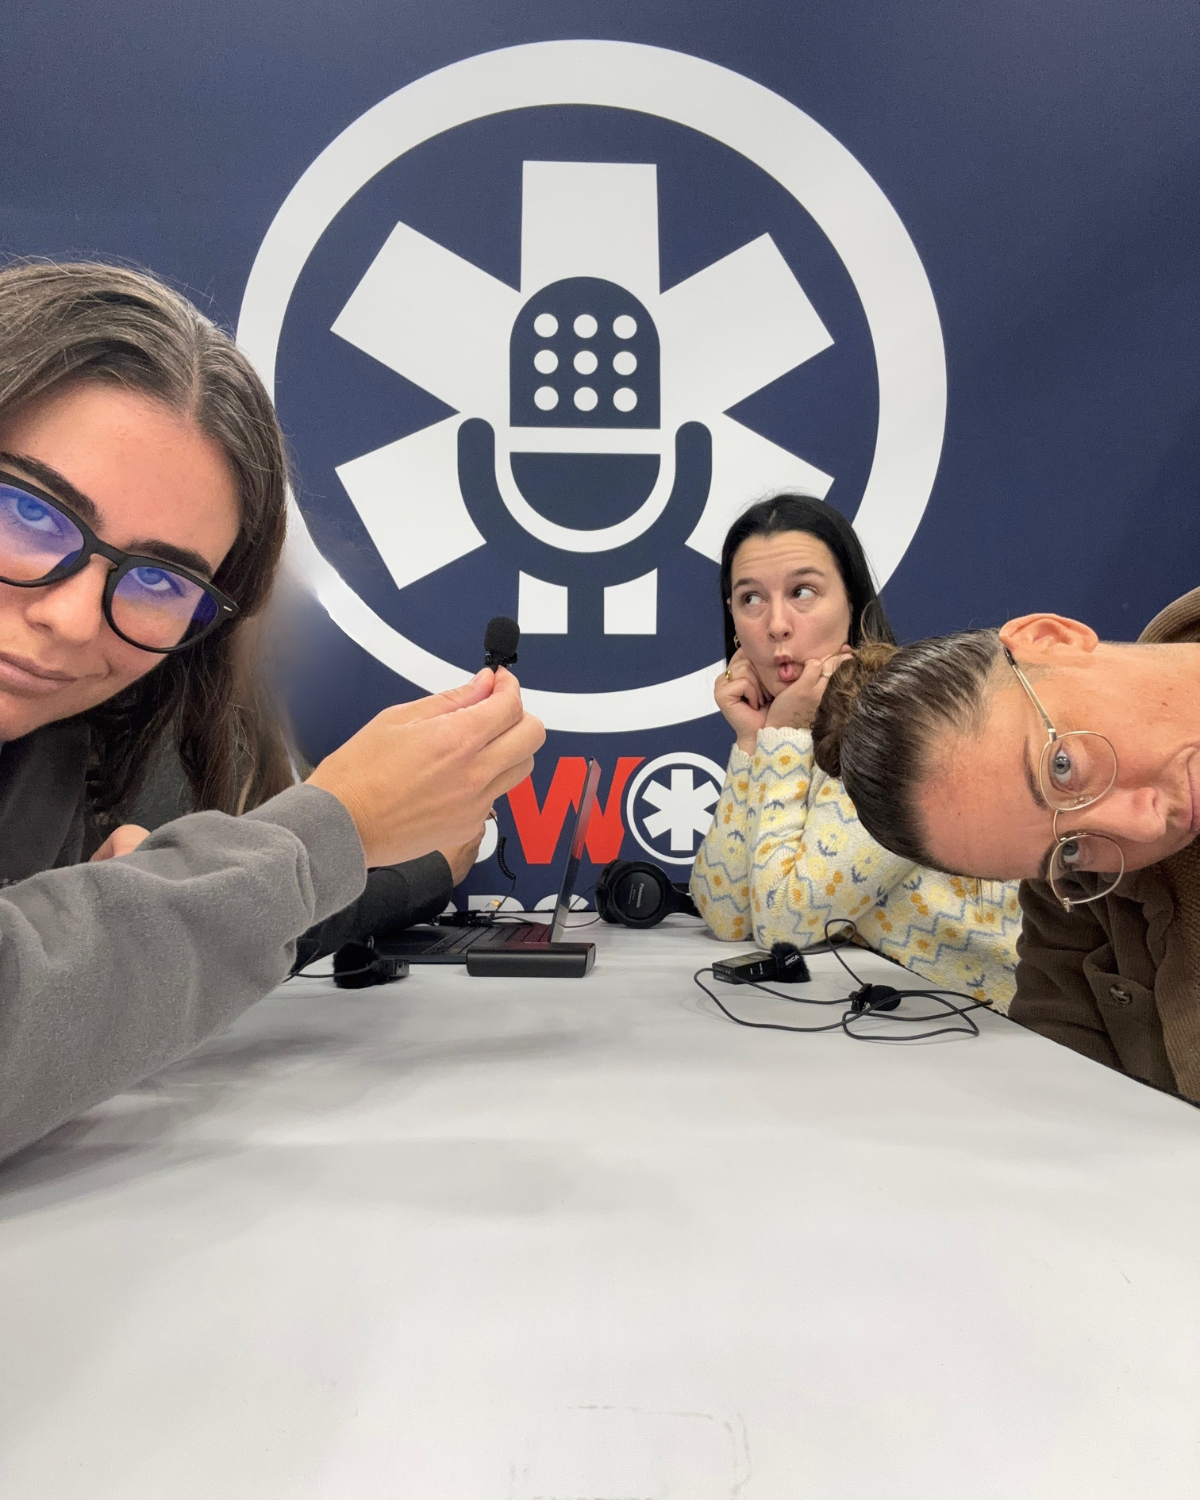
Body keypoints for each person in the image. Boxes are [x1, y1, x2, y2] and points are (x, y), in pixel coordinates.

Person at [0, 260, 544, 1162]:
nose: (68, 616)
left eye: (159, 579)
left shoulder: (77, 742)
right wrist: (336, 827)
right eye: (28, 510)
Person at [810, 596, 1200, 1102]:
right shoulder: (1083, 889)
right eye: (1069, 850)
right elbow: (1057, 1076)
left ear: (1050, 639)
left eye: (1063, 767)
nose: (1144, 825)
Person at [689, 494, 1021, 1004]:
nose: (776, 623)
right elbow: (725, 915)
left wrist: (780, 738)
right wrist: (753, 742)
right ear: (732, 620)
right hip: (906, 1024)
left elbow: (783, 924)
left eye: (802, 591)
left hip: (1017, 1034)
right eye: (750, 598)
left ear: (852, 603)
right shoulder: (794, 725)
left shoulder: (903, 718)